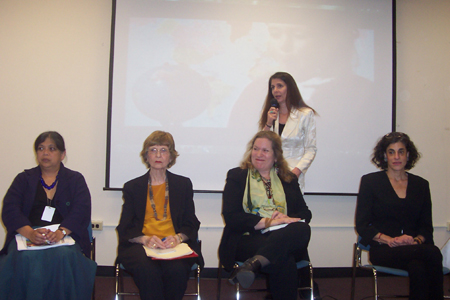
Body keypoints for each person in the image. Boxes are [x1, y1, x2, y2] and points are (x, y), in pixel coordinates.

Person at [0, 131, 96, 300]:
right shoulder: (24, 179)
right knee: (25, 256)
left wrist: (61, 232)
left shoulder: (75, 179)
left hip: (65, 236)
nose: (45, 153)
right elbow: (10, 209)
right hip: (27, 235)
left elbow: (81, 210)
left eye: (52, 148)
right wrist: (30, 233)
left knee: (64, 256)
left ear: (62, 154)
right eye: (41, 148)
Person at [218, 131, 312, 300]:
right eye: (255, 149)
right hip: (248, 238)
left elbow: (305, 214)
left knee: (303, 228)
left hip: (284, 235)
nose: (259, 154)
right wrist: (267, 222)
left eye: (265, 150)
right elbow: (231, 217)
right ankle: (258, 262)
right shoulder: (237, 176)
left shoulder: (288, 178)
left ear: (276, 156)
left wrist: (284, 218)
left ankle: (253, 264)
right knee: (284, 259)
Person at [116, 130, 204, 300]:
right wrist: (145, 239)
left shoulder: (182, 184)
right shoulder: (133, 187)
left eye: (163, 150)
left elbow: (191, 222)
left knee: (177, 270)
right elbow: (124, 228)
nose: (158, 155)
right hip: (141, 246)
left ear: (171, 157)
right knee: (148, 270)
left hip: (174, 245)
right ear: (146, 156)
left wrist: (178, 238)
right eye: (153, 150)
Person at [355, 132, 443, 299]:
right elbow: (362, 225)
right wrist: (391, 240)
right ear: (384, 155)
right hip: (384, 249)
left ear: (408, 155)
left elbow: (426, 227)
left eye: (401, 151)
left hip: (414, 248)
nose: (396, 157)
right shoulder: (370, 182)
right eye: (391, 152)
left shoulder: (421, 185)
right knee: (433, 253)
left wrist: (414, 240)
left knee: (418, 268)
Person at [260, 71, 317, 193]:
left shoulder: (305, 114)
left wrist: (295, 173)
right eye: (272, 87)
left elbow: (311, 149)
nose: (275, 90)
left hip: (292, 176)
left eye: (280, 86)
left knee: (290, 212)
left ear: (290, 88)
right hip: (269, 177)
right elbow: (261, 145)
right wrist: (268, 123)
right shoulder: (272, 114)